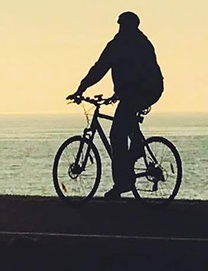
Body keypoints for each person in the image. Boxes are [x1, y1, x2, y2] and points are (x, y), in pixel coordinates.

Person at [69, 11, 165, 198]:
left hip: (144, 91)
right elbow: (103, 68)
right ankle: (136, 147)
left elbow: (110, 70)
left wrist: (81, 89)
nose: (122, 29)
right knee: (126, 123)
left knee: (117, 134)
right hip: (141, 91)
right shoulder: (129, 44)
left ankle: (122, 183)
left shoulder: (131, 45)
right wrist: (87, 89)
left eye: (124, 26)